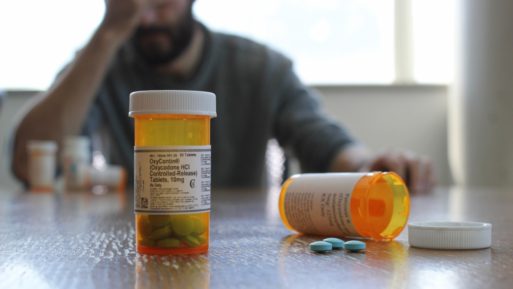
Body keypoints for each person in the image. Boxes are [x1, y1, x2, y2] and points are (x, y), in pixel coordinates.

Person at [11, 0, 434, 193]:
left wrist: (372, 168)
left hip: (247, 247)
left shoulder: (259, 67)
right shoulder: (102, 64)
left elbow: (323, 141)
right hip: (138, 243)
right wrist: (107, 33)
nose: (149, 13)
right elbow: (29, 163)